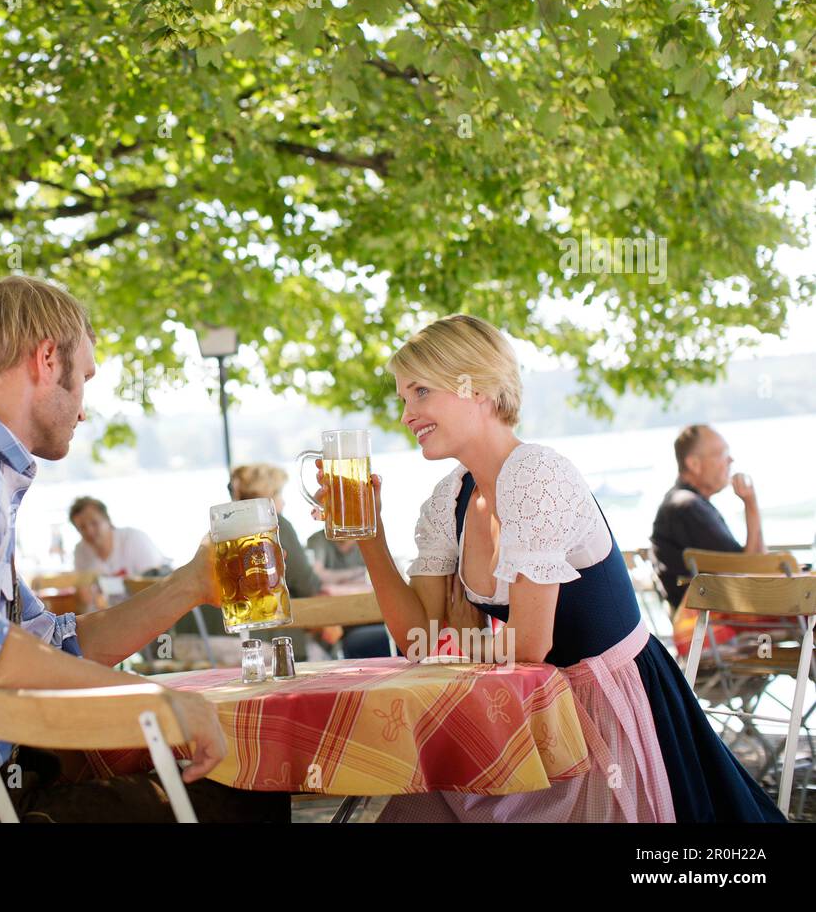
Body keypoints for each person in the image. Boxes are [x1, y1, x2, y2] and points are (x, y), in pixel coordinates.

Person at [0, 275, 288, 822]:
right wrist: (148, 701)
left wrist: (189, 584)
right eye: (84, 378)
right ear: (46, 358)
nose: (84, 410)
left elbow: (53, 647)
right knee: (244, 791)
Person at [342, 314, 781, 822]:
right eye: (403, 398)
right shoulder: (451, 499)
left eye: (420, 392)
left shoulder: (536, 475)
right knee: (419, 800)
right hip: (533, 709)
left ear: (479, 387)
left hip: (608, 712)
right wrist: (368, 533)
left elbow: (530, 646)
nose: (406, 415)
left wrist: (450, 646)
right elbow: (417, 639)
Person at [649, 425, 765, 610]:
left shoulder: (683, 503)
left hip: (715, 616)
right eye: (722, 453)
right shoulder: (687, 508)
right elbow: (749, 570)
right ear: (694, 464)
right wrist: (751, 504)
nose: (731, 459)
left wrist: (750, 504)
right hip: (713, 621)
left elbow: (752, 564)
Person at [229, 463, 336, 659]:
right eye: (279, 494)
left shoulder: (227, 527)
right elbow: (307, 584)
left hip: (234, 640)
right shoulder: (276, 525)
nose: (283, 502)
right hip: (277, 642)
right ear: (268, 496)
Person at [307, 530, 392, 659]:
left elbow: (376, 580)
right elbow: (316, 578)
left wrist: (334, 582)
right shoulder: (319, 539)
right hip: (334, 615)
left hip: (366, 614)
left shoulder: (365, 537)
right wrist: (354, 574)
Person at [70, 497, 168, 577]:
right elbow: (83, 592)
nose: (89, 531)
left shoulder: (133, 538)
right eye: (82, 527)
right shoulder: (80, 551)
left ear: (107, 520)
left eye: (94, 523)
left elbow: (157, 580)